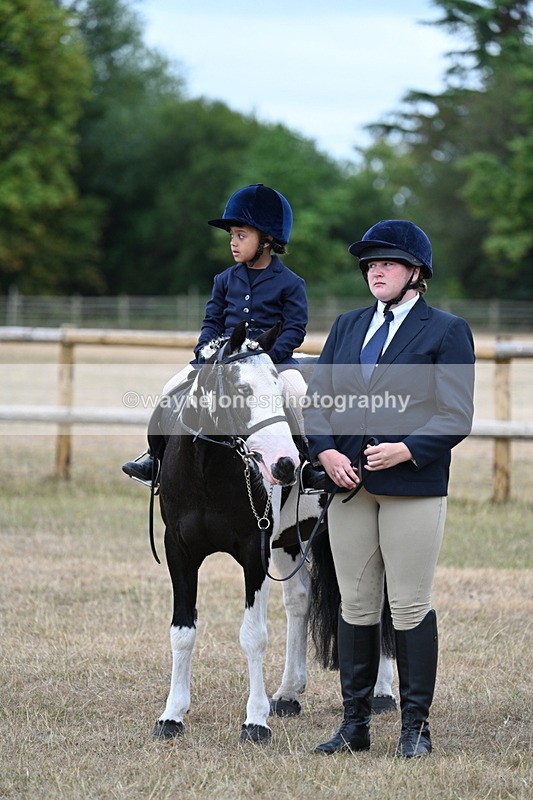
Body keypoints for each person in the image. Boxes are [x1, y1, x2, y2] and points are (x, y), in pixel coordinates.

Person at [303, 219, 475, 758]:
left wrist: (407, 449)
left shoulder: (446, 330)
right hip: (349, 487)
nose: (375, 270)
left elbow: (457, 412)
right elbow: (317, 402)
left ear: (415, 273)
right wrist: (326, 451)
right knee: (354, 605)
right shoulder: (348, 326)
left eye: (388, 263)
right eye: (370, 263)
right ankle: (355, 725)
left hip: (413, 487)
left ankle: (414, 728)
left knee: (407, 607)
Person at [122, 183, 323, 488]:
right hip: (223, 361)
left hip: (274, 363)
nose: (233, 242)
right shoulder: (224, 279)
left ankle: (310, 465)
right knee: (170, 388)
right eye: (232, 236)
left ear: (267, 240)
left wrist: (265, 360)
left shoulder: (291, 283)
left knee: (298, 395)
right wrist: (204, 350)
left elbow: (295, 329)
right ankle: (156, 459)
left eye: (241, 236)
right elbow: (212, 321)